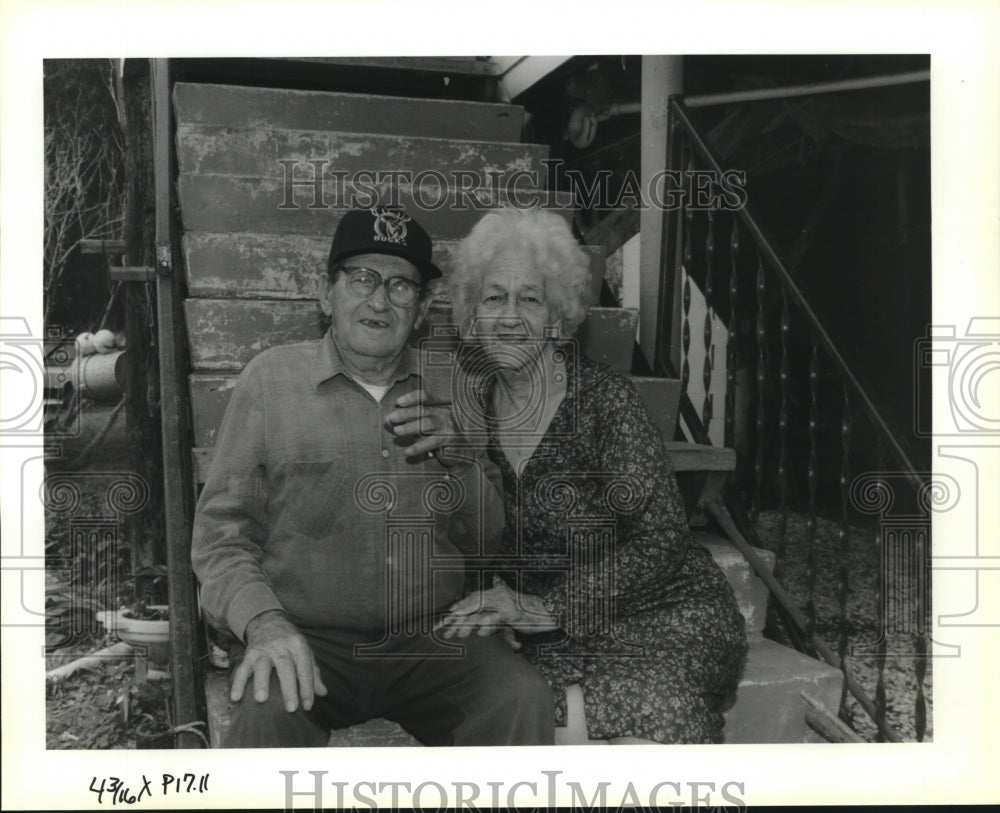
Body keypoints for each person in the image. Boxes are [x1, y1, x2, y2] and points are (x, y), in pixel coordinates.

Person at [191, 206, 554, 747]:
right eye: (361, 279)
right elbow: (221, 537)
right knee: (265, 714)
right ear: (325, 293)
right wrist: (263, 624)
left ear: (423, 307)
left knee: (520, 697)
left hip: (432, 638)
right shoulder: (271, 380)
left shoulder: (454, 386)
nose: (379, 300)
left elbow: (485, 543)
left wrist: (461, 455)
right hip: (307, 637)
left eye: (401, 285)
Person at [436, 206, 748, 744]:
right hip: (551, 633)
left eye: (530, 299)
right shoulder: (470, 416)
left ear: (557, 316)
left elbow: (661, 538)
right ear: (471, 317)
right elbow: (476, 538)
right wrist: (500, 601)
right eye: (493, 298)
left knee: (654, 714)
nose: (510, 316)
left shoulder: (605, 400)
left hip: (660, 607)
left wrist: (545, 607)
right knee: (524, 713)